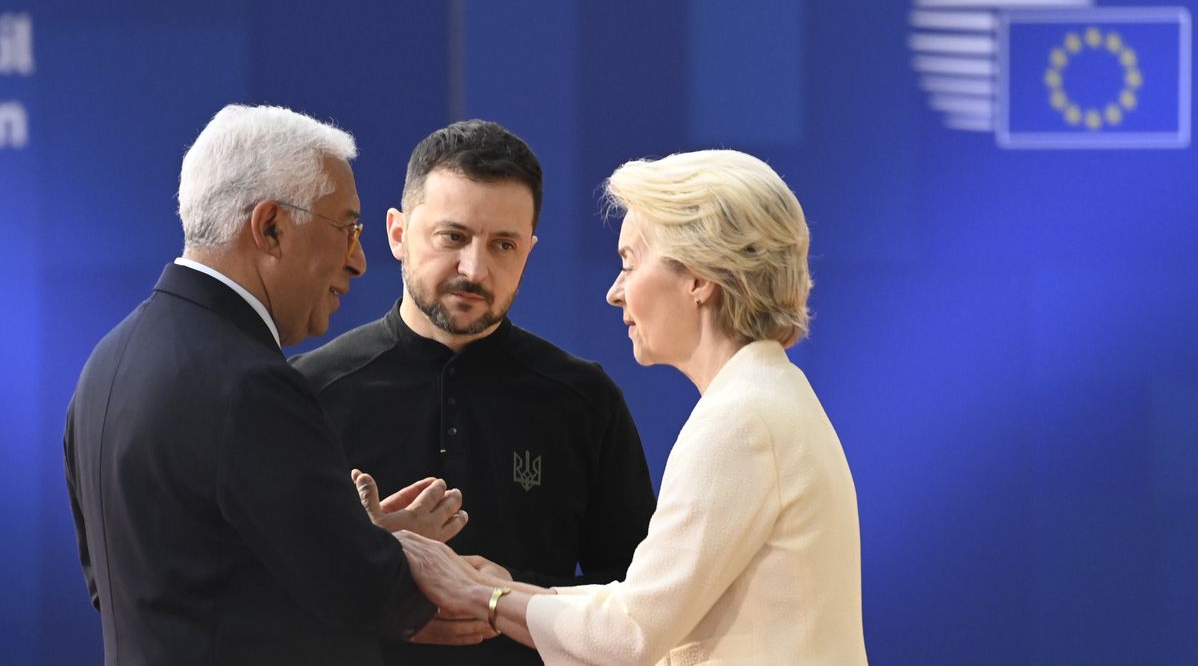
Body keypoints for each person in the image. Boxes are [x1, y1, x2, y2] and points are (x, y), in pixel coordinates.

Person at [391, 149, 869, 664]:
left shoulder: (741, 420)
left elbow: (631, 636)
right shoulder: (768, 397)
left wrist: (481, 597)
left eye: (629, 262)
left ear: (699, 277)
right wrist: (513, 591)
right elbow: (643, 605)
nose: (615, 293)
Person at [63, 104, 469, 666]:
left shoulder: (104, 366)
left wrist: (358, 536)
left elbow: (131, 584)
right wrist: (411, 560)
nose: (358, 260)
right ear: (271, 227)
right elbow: (363, 593)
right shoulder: (250, 385)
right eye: (347, 229)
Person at [290, 119, 657, 664]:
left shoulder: (584, 401)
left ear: (529, 251)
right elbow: (258, 589)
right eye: (452, 237)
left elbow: (637, 597)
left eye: (503, 245)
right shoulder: (308, 392)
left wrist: (509, 591)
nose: (474, 268)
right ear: (397, 234)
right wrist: (376, 582)